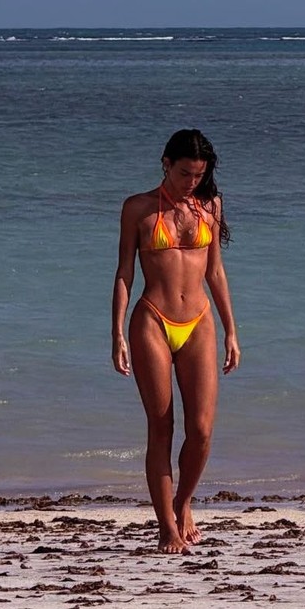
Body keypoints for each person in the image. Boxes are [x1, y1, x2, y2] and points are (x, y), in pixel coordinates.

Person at [112, 129, 241, 553]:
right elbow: (125, 273)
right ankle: (166, 525)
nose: (192, 182)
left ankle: (182, 503)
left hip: (199, 321)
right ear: (166, 163)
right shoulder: (138, 208)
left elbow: (215, 272)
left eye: (199, 175)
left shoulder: (210, 205)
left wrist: (231, 331)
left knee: (202, 431)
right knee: (161, 427)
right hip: (152, 320)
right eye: (185, 173)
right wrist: (116, 333)